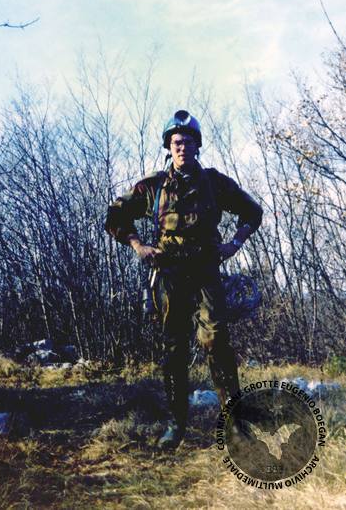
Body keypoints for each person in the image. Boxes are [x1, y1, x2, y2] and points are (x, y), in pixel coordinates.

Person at [105, 110, 263, 449]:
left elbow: (252, 212)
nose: (182, 148)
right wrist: (138, 245)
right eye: (176, 142)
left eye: (188, 142)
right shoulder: (153, 186)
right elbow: (115, 215)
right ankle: (176, 426)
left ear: (197, 146)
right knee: (174, 349)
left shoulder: (215, 183)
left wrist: (235, 243)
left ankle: (236, 425)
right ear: (169, 146)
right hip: (170, 276)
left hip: (206, 272)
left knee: (217, 343)